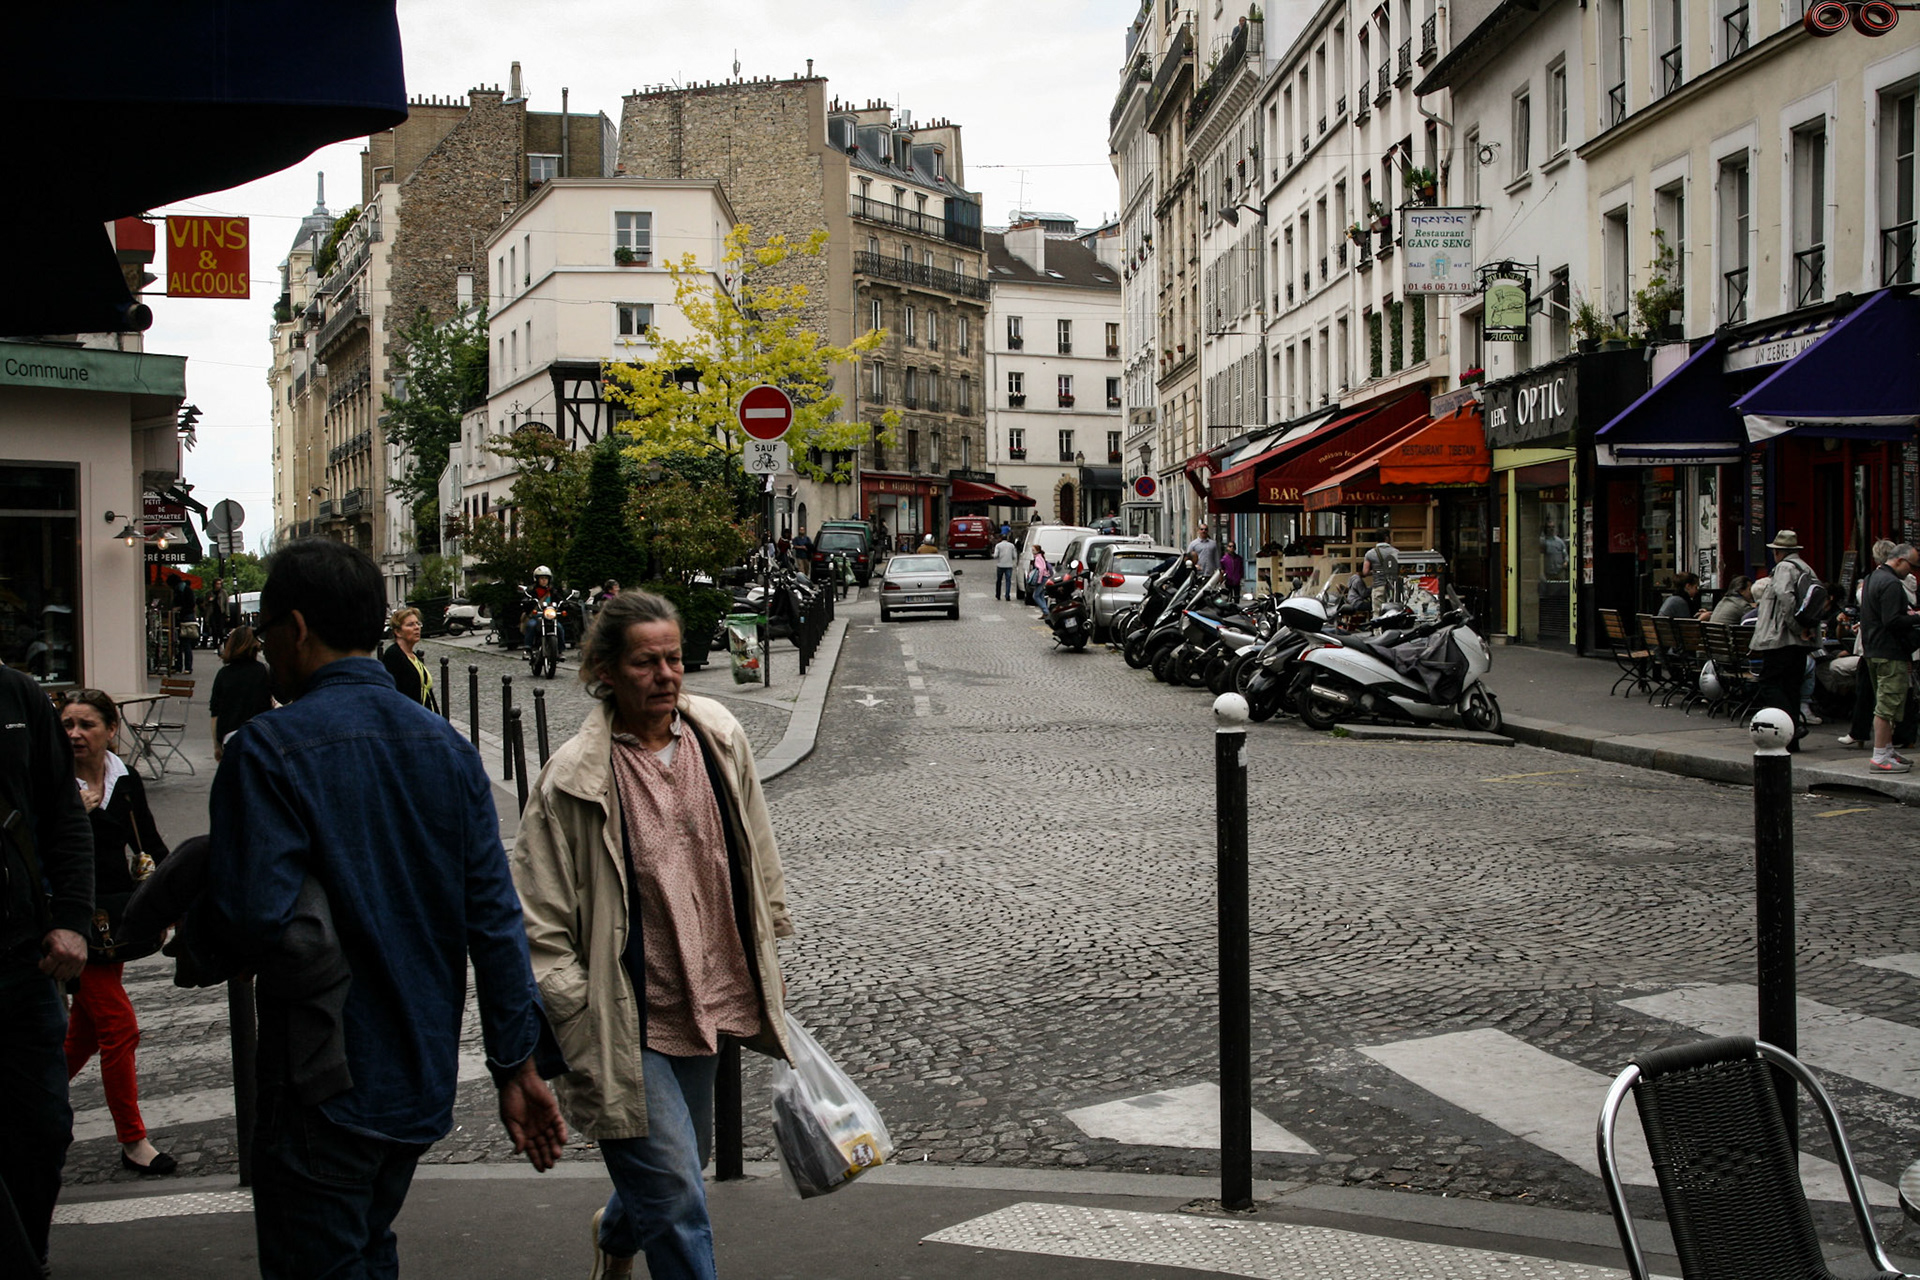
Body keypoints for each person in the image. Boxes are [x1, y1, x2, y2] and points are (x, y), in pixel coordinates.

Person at [184, 539, 565, 1279]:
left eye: (266, 635)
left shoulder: (267, 748)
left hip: (322, 1078)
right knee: (367, 1243)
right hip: (418, 1076)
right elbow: (494, 920)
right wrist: (515, 1064)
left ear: (296, 628)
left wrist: (190, 932)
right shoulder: (449, 750)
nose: (266, 653)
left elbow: (251, 914)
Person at [511, 590, 795, 1280]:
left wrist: (769, 927)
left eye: (673, 657)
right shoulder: (571, 780)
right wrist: (575, 1007)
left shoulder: (718, 734)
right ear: (604, 671)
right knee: (675, 1198)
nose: (667, 674)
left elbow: (756, 844)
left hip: (704, 993)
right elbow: (537, 921)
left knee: (681, 1166)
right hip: (622, 1014)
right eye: (646, 662)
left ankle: (614, 1230)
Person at [57, 690, 175, 1177]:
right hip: (70, 923)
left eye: (86, 724)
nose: (75, 734)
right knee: (119, 1028)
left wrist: (177, 896)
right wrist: (73, 817)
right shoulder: (50, 783)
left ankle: (18, 1104)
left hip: (114, 922)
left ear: (111, 730)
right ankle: (133, 1140)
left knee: (82, 1036)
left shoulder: (123, 780)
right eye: (67, 724)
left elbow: (148, 840)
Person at [0, 666, 92, 1278]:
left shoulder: (16, 695)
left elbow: (63, 814)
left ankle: (30, 1251)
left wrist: (74, 919)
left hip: (20, 959)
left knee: (43, 1128)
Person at [1750, 529, 1823, 749]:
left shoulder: (1783, 568)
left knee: (1769, 682)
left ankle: (1792, 725)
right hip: (1802, 641)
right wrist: (1806, 629)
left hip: (1781, 638)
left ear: (1779, 552)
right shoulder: (1806, 568)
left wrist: (1796, 627)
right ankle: (1791, 742)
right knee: (1792, 686)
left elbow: (1785, 598)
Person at [1860, 543, 1920, 774]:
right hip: (1890, 652)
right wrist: (1916, 618)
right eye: (1911, 566)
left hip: (1873, 649)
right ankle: (1880, 757)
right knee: (1887, 706)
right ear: (1899, 560)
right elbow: (1892, 621)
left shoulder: (1872, 578)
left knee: (1884, 702)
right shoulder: (1893, 584)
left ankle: (1887, 750)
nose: (1912, 572)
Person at [209, 626, 274, 764]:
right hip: (259, 736)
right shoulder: (263, 671)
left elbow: (215, 713)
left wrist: (216, 745)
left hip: (231, 739)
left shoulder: (223, 675)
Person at [381, 607, 437, 712]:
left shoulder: (414, 656)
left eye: (418, 623)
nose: (417, 628)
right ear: (398, 632)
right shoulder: (394, 656)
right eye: (410, 625)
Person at [522, 565, 559, 652]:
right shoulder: (531, 591)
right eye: (542, 578)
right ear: (537, 579)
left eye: (546, 578)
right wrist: (528, 601)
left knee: (559, 627)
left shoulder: (553, 591)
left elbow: (560, 599)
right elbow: (525, 598)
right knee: (531, 625)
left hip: (550, 616)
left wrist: (564, 603)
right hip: (536, 616)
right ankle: (527, 648)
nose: (544, 580)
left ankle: (560, 650)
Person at [1364, 541, 1401, 613]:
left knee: (1377, 612)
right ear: (1387, 538)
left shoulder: (1370, 553)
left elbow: (1365, 572)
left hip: (1378, 586)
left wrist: (1375, 571)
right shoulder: (1396, 552)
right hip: (1393, 588)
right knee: (1393, 612)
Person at [992, 534, 1017, 601]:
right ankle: (1007, 595)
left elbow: (995, 555)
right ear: (1007, 539)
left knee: (999, 580)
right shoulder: (1011, 546)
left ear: (1000, 539)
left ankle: (998, 594)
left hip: (1000, 565)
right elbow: (1014, 556)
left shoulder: (998, 545)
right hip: (1009, 565)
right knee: (1008, 580)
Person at [1030, 546, 1052, 619]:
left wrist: (1039, 580)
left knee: (1035, 596)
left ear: (1037, 550)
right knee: (1041, 595)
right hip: (1045, 577)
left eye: (1033, 550)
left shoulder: (1038, 558)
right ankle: (1045, 612)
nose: (1032, 551)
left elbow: (1041, 569)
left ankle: (1046, 612)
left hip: (1043, 578)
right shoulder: (1040, 557)